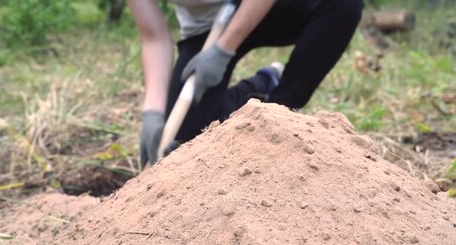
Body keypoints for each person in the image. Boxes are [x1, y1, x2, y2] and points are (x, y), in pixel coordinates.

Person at [127, 0, 364, 167]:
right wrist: (153, 111)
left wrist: (223, 49)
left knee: (342, 4)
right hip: (204, 28)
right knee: (185, 141)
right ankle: (260, 88)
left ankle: (281, 109)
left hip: (267, 7)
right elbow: (153, 37)